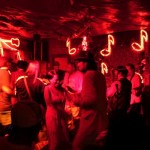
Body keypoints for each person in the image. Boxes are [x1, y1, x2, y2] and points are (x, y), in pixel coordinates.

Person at [72, 51, 108, 150]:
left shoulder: (88, 75)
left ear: (86, 63)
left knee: (77, 146)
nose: (77, 64)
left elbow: (90, 100)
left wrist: (75, 99)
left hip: (90, 119)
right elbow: (98, 96)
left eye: (79, 62)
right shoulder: (100, 75)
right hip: (101, 118)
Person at [44, 73, 70, 150]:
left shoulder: (61, 89)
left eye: (58, 80)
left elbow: (70, 98)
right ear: (50, 80)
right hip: (52, 116)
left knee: (65, 138)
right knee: (54, 138)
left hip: (61, 115)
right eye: (56, 80)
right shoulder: (47, 88)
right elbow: (49, 103)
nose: (58, 82)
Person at [62, 62, 83, 136]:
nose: (67, 69)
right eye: (67, 67)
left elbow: (81, 88)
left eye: (69, 67)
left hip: (75, 99)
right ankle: (70, 135)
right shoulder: (67, 74)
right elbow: (64, 85)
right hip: (67, 100)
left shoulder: (79, 75)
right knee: (68, 119)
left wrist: (74, 92)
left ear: (73, 67)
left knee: (76, 117)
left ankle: (77, 134)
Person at [0, 56, 13, 136]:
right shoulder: (5, 72)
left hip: (2, 106)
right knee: (7, 132)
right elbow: (6, 89)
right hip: (5, 106)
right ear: (7, 63)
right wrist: (14, 93)